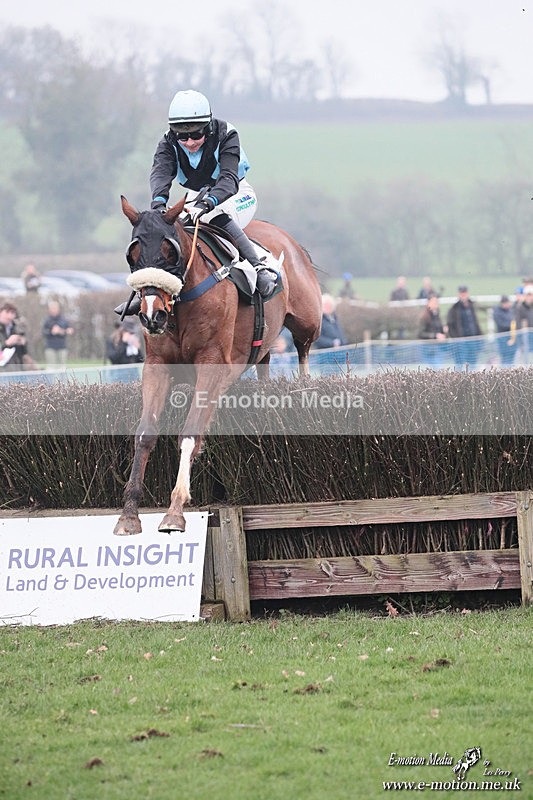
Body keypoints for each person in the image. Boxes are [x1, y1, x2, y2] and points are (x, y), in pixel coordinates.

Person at [116, 89, 277, 316]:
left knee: (213, 216)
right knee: (168, 229)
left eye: (196, 134)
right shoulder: (167, 142)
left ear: (208, 127)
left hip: (236, 193)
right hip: (196, 196)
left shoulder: (227, 134)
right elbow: (161, 174)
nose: (189, 141)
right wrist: (159, 204)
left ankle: (259, 267)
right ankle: (150, 294)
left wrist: (209, 202)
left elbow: (228, 178)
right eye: (182, 136)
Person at [446, 285, 482, 366]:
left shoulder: (472, 306)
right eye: (461, 293)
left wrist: (479, 337)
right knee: (460, 365)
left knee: (473, 364)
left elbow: (475, 323)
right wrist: (456, 338)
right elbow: (450, 325)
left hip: (473, 340)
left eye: (465, 293)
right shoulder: (454, 309)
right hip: (461, 342)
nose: (463, 295)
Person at [418, 293, 448, 366]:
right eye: (434, 302)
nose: (436, 304)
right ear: (428, 303)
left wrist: (444, 331)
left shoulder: (437, 315)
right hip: (428, 348)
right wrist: (435, 336)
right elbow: (420, 334)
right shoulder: (424, 317)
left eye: (437, 302)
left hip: (438, 347)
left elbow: (440, 330)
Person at [0, 302, 32, 370]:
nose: (9, 316)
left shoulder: (17, 328)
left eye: (12, 313)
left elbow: (25, 352)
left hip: (16, 366)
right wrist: (6, 343)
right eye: (7, 312)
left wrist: (23, 343)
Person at [42, 300, 74, 368]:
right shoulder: (46, 320)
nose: (54, 310)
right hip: (50, 346)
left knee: (62, 367)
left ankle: (62, 379)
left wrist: (61, 331)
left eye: (55, 308)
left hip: (62, 346)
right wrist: (51, 332)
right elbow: (43, 332)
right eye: (52, 308)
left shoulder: (64, 319)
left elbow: (70, 329)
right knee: (51, 367)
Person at [492, 294, 516, 365]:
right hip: (502, 339)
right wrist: (512, 325)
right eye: (504, 303)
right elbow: (501, 324)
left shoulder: (511, 311)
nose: (506, 304)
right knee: (505, 357)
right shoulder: (497, 312)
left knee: (512, 356)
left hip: (512, 337)